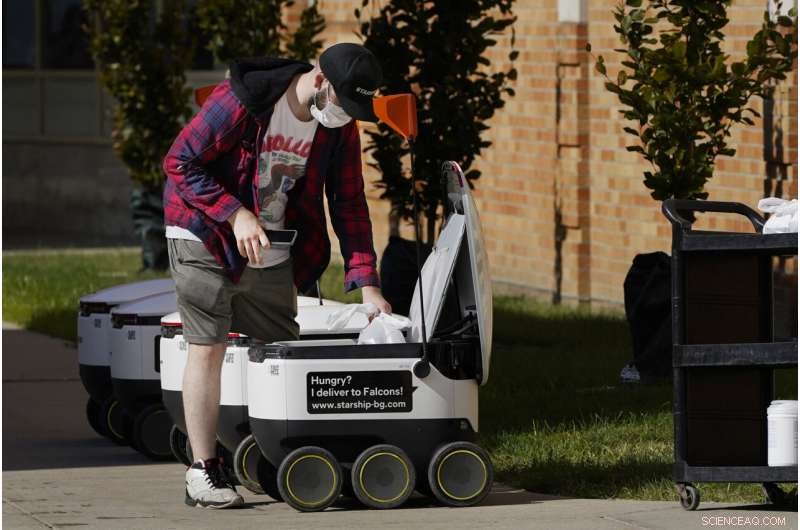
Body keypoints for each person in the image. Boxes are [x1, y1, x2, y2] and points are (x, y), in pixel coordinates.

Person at [162, 43, 391, 508]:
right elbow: (179, 162)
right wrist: (235, 214)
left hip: (271, 242)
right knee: (209, 344)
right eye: (343, 105)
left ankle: (267, 452)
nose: (346, 117)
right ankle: (203, 470)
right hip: (204, 231)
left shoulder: (338, 129)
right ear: (321, 81)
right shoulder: (244, 99)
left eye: (354, 111)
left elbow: (347, 203)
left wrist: (368, 285)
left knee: (280, 350)